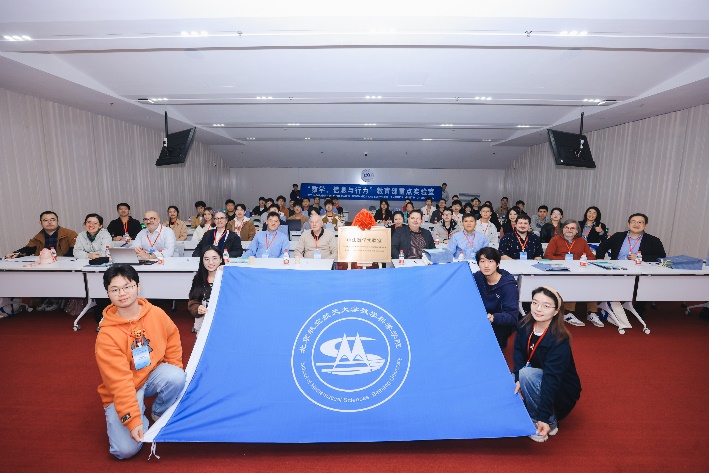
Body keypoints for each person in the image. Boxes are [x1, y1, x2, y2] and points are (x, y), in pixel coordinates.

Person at [95, 264, 186, 459]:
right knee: (125, 451)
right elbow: (120, 382)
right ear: (108, 294)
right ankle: (139, 412)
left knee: (176, 376)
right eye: (115, 289)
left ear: (138, 286)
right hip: (126, 387)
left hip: (151, 375)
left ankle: (159, 412)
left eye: (127, 286)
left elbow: (172, 338)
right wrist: (133, 420)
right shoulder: (106, 335)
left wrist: (173, 365)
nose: (122, 293)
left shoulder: (156, 313)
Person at [513, 286, 581, 443]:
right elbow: (518, 355)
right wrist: (517, 379)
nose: (538, 309)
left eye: (546, 306)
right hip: (535, 376)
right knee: (508, 380)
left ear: (556, 311)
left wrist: (543, 416)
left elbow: (552, 379)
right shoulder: (524, 325)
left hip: (559, 392)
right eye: (535, 303)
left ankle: (548, 420)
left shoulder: (559, 340)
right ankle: (528, 407)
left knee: (526, 375)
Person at [544, 220, 602, 328]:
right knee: (573, 281)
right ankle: (568, 313)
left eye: (572, 228)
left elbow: (591, 257)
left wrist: (578, 260)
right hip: (560, 271)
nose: (569, 230)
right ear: (563, 229)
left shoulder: (581, 241)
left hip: (578, 270)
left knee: (593, 282)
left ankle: (592, 312)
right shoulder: (555, 239)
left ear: (577, 231)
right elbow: (548, 255)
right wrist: (565, 260)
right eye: (567, 227)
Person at [473, 247, 519, 349]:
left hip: (499, 323)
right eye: (482, 261)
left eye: (490, 261)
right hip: (482, 319)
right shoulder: (477, 277)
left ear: (498, 264)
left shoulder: (508, 285)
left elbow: (512, 317)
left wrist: (494, 318)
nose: (486, 265)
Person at [596, 213, 666, 263]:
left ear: (645, 225)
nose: (636, 224)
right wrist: (600, 260)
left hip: (639, 273)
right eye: (633, 222)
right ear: (629, 224)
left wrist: (640, 258)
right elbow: (602, 247)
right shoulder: (618, 236)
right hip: (617, 270)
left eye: (640, 222)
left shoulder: (653, 240)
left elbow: (661, 257)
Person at [6, 210, 77, 259]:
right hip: (43, 266)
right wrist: (15, 253)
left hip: (64, 267)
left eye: (53, 220)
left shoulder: (70, 234)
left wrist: (58, 260)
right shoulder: (38, 237)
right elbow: (28, 249)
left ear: (58, 222)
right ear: (40, 223)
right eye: (45, 220)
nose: (49, 222)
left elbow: (74, 251)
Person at [188, 247, 223, 334]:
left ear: (221, 260)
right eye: (206, 259)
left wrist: (228, 270)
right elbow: (193, 302)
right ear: (202, 261)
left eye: (214, 258)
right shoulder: (198, 278)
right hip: (204, 325)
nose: (210, 262)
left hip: (223, 323)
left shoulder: (227, 277)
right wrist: (197, 308)